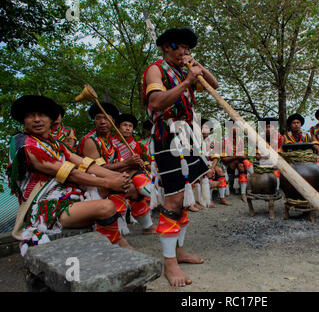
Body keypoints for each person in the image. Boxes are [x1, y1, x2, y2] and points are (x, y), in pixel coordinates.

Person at [7, 95, 132, 255]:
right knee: (106, 206)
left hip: (71, 196)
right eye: (31, 115)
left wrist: (115, 177)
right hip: (46, 207)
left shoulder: (56, 144)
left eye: (42, 115)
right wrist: (108, 182)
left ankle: (114, 241)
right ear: (24, 119)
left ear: (51, 119)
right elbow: (68, 173)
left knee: (123, 187)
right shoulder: (23, 143)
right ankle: (116, 243)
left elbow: (85, 164)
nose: (37, 119)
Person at [143, 27, 218, 287]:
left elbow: (214, 85)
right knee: (174, 199)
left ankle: (179, 250)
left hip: (188, 137)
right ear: (166, 47)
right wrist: (187, 82)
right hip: (168, 137)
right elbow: (155, 103)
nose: (184, 52)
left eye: (188, 48)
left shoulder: (182, 69)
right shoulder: (156, 70)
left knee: (187, 195)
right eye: (179, 47)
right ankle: (169, 262)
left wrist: (196, 66)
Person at [79, 103, 155, 237]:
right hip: (93, 183)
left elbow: (117, 165)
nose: (103, 121)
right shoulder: (90, 140)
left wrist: (134, 165)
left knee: (133, 184)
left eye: (106, 118)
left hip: (110, 177)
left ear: (113, 121)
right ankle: (116, 229)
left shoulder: (111, 142)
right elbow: (97, 170)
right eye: (98, 118)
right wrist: (127, 163)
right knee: (129, 187)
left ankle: (147, 226)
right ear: (94, 121)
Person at [221, 120, 253, 203]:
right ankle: (252, 171)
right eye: (233, 127)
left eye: (237, 127)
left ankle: (243, 194)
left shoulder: (241, 141)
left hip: (239, 164)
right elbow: (223, 159)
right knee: (241, 161)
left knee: (241, 166)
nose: (236, 129)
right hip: (228, 165)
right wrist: (236, 156)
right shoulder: (224, 141)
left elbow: (242, 154)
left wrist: (240, 156)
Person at [201, 119, 232, 207]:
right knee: (209, 172)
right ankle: (209, 199)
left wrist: (212, 167)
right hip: (200, 164)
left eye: (207, 128)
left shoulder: (212, 142)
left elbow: (215, 156)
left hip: (210, 163)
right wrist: (208, 168)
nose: (204, 130)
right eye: (203, 127)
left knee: (219, 170)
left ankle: (222, 198)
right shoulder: (196, 141)